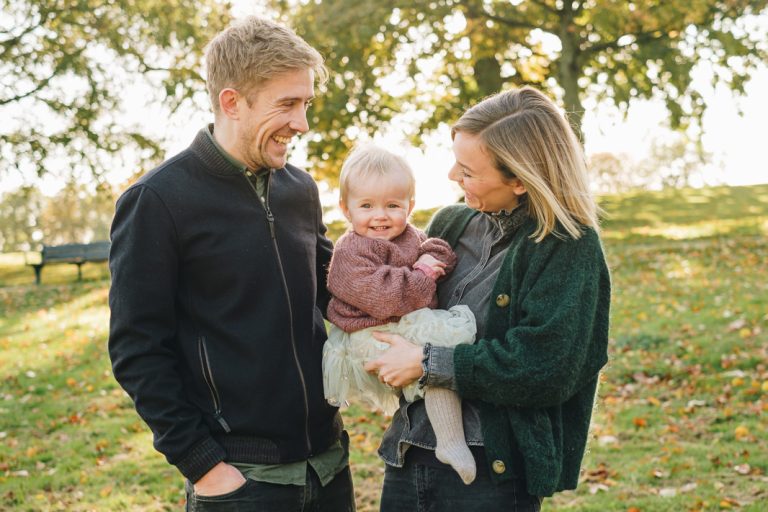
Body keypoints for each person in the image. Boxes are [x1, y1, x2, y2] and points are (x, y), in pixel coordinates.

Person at [108, 16, 355, 511]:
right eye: (287, 104)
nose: (302, 124)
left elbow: (340, 290)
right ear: (231, 101)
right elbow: (137, 349)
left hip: (328, 464)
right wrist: (202, 464)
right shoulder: (157, 200)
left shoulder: (300, 189)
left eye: (305, 104)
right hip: (241, 479)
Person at [364, 86, 611, 511]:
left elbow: (546, 366)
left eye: (468, 171)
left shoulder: (567, 245)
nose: (451, 177)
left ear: (519, 179)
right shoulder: (452, 223)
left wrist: (428, 363)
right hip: (408, 455)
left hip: (488, 478)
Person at [322, 144, 478, 484]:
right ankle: (450, 440)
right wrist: (424, 273)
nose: (380, 216)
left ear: (410, 206)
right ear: (346, 210)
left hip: (402, 324)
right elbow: (386, 297)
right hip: (368, 334)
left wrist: (433, 255)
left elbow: (437, 251)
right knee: (430, 351)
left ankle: (449, 442)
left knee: (434, 354)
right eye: (366, 206)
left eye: (393, 206)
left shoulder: (409, 235)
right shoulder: (349, 252)